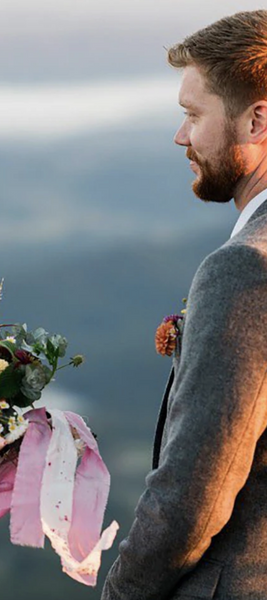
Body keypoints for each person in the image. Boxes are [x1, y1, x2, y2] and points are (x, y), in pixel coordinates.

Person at [102, 10, 267, 599]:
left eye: (193, 115)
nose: (181, 136)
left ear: (256, 119)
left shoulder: (245, 266)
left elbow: (193, 498)